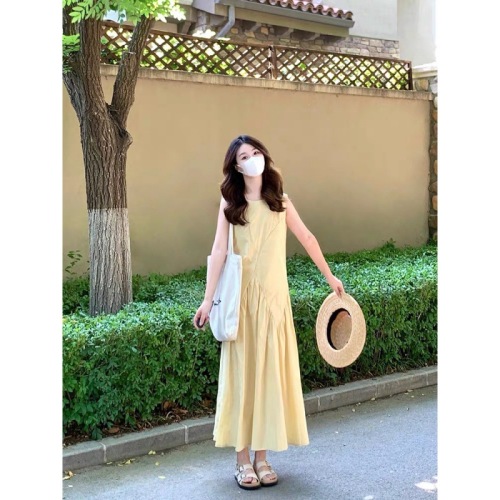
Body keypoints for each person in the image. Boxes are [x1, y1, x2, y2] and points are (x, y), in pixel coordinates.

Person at [193, 135, 345, 490]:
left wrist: (330, 276)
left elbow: (307, 238)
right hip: (243, 304)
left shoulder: (280, 201)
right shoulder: (231, 203)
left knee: (267, 377)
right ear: (235, 166)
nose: (251, 159)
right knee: (244, 376)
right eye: (244, 156)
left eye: (255, 152)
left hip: (275, 303)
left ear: (263, 156)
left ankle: (262, 458)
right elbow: (219, 250)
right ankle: (242, 460)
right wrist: (207, 300)